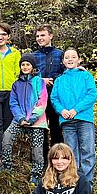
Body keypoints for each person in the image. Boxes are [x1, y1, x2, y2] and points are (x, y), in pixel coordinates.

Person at [50, 48, 97, 183]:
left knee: (87, 152)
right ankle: (73, 183)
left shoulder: (86, 76)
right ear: (63, 61)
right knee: (71, 154)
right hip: (67, 122)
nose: (70, 59)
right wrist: (62, 110)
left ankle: (87, 185)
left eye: (73, 57)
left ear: (79, 59)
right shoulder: (59, 80)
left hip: (84, 119)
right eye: (67, 57)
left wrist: (76, 110)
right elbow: (54, 99)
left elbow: (92, 95)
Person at [0, 53, 48, 183]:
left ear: (33, 66)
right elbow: (13, 103)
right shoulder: (16, 84)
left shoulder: (39, 82)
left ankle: (37, 173)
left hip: (37, 121)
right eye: (23, 65)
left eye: (28, 64)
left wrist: (32, 118)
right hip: (19, 119)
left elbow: (42, 101)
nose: (25, 67)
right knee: (7, 137)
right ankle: (7, 165)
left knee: (37, 148)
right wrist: (21, 118)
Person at [0, 22, 21, 169]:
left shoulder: (15, 53)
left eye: (3, 34)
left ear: (8, 36)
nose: (0, 37)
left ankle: (8, 155)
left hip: (10, 92)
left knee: (8, 126)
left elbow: (18, 74)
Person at [31, 24, 65, 155]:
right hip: (39, 98)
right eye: (37, 36)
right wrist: (41, 80)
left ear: (50, 36)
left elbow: (64, 74)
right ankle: (42, 158)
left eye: (43, 35)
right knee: (41, 128)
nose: (40, 38)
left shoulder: (60, 54)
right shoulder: (33, 56)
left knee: (56, 128)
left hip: (56, 97)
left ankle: (58, 157)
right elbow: (28, 76)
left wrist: (53, 79)